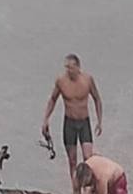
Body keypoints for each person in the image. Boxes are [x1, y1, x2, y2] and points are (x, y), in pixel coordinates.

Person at [42, 54, 103, 185]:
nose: (68, 70)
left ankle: (89, 187)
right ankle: (76, 190)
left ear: (78, 67)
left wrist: (99, 121)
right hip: (69, 123)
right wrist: (46, 119)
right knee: (72, 160)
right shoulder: (61, 81)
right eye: (67, 68)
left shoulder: (87, 80)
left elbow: (97, 99)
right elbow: (52, 99)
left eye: (71, 67)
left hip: (84, 122)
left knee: (88, 158)